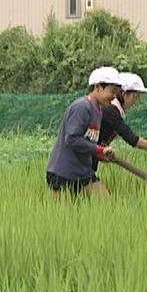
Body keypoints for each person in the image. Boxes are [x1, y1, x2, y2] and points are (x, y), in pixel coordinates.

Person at [46, 66, 122, 199]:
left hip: (83, 172)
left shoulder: (98, 110)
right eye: (112, 91)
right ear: (98, 87)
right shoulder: (82, 107)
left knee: (108, 205)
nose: (114, 97)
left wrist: (101, 155)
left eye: (116, 92)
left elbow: (88, 141)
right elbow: (72, 138)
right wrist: (99, 150)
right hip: (64, 172)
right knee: (61, 218)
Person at [93, 72, 147, 174]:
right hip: (80, 164)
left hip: (87, 164)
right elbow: (133, 139)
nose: (136, 102)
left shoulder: (114, 111)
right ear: (124, 94)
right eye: (135, 97)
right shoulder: (110, 111)